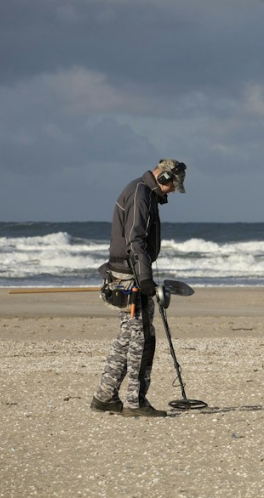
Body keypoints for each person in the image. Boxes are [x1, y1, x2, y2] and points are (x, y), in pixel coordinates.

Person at [91, 158, 187, 418]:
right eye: (172, 186)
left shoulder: (142, 191)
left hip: (126, 273)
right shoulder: (141, 194)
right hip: (130, 277)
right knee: (142, 338)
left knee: (128, 337)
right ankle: (135, 401)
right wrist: (144, 280)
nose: (172, 192)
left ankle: (105, 396)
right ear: (164, 178)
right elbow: (136, 240)